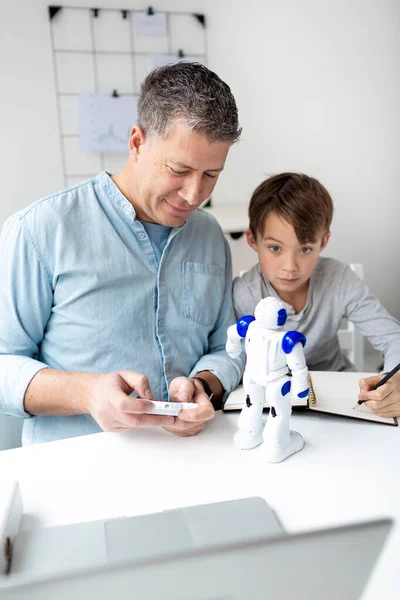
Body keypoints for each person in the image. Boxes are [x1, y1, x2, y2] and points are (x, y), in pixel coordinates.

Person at [0, 62, 244, 445]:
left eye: (211, 175)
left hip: (195, 461)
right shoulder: (39, 230)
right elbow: (3, 364)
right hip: (77, 476)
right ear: (136, 142)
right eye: (179, 169)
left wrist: (205, 385)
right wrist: (87, 393)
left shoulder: (210, 235)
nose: (194, 195)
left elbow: (224, 347)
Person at [233, 173, 400, 418]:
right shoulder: (243, 293)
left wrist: (395, 381)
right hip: (272, 407)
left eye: (305, 249)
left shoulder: (340, 279)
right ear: (252, 240)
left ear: (324, 242)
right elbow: (233, 361)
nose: (290, 266)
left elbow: (392, 338)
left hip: (340, 403)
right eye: (275, 248)